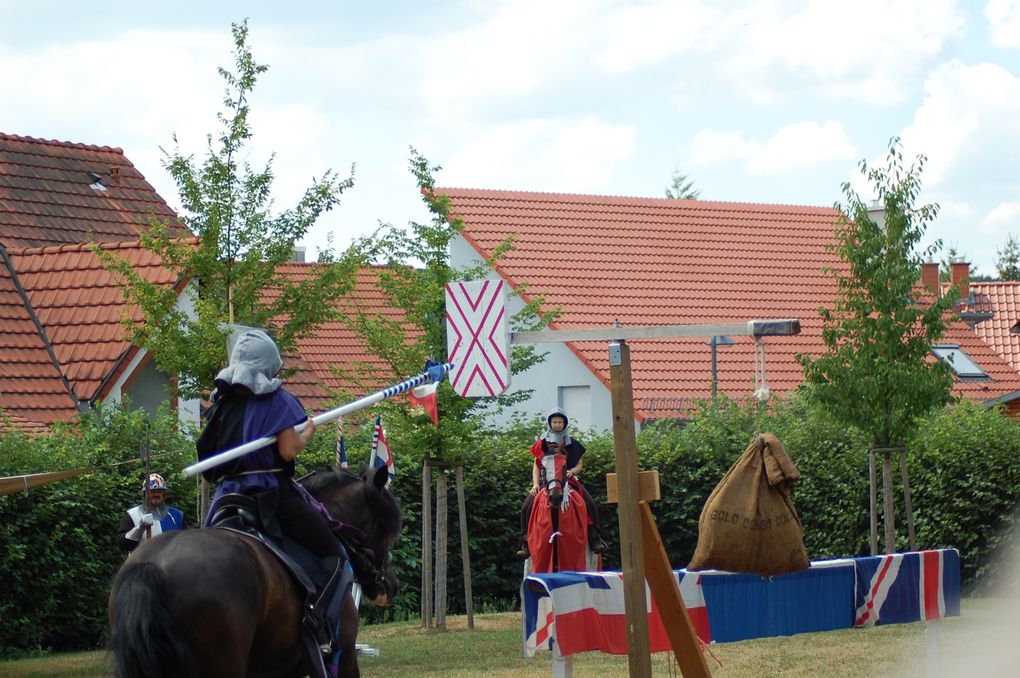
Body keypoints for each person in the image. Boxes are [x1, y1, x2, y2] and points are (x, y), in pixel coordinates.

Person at [195, 328, 341, 654]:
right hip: (271, 492)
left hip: (228, 493)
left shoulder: (221, 403)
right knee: (332, 553)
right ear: (269, 367)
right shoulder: (279, 401)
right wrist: (308, 433)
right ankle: (316, 623)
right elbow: (288, 452)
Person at [516, 407, 607, 558]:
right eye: (554, 422)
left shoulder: (572, 443)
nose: (557, 424)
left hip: (567, 480)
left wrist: (573, 472)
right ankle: (525, 542)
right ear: (549, 423)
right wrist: (535, 484)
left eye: (560, 422)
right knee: (526, 507)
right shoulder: (542, 444)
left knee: (590, 503)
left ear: (565, 424)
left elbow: (579, 465)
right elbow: (536, 465)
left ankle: (594, 537)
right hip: (547, 481)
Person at [116, 473, 185, 552]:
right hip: (142, 563)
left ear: (164, 494)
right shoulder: (132, 515)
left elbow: (185, 543)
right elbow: (122, 544)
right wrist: (139, 528)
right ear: (145, 494)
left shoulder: (177, 516)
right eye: (152, 491)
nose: (156, 494)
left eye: (159, 491)